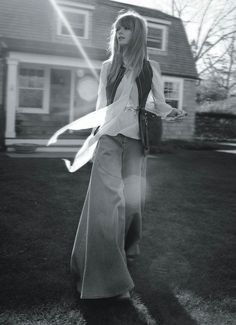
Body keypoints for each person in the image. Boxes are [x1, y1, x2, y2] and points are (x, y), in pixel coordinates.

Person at [48, 10, 186, 300]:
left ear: (138, 34)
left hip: (136, 144)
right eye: (118, 28)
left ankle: (126, 250)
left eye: (127, 28)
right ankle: (109, 282)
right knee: (107, 206)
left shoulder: (150, 67)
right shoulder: (108, 66)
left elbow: (155, 103)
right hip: (109, 141)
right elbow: (101, 105)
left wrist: (171, 111)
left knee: (131, 206)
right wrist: (95, 138)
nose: (120, 32)